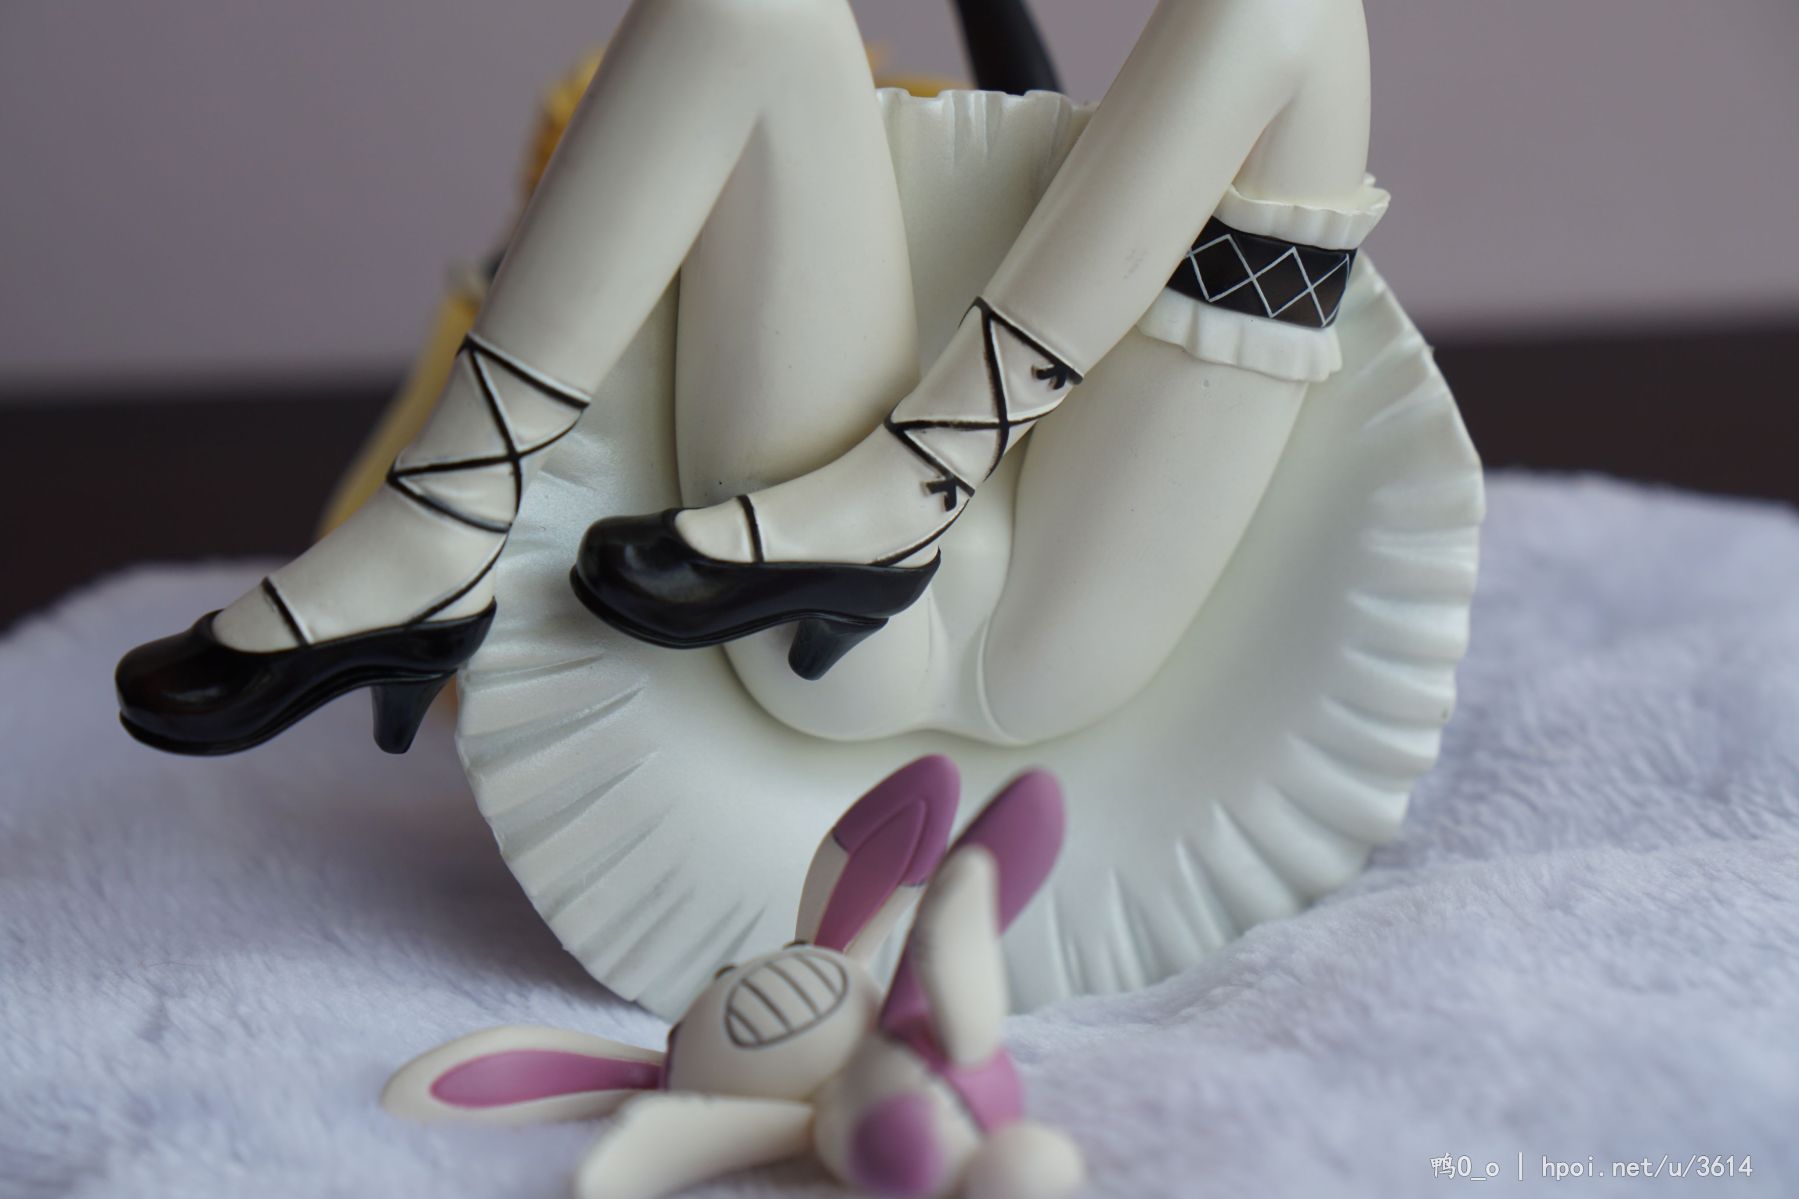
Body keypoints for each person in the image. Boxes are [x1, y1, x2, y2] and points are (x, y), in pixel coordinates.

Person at [117, 0, 1391, 754]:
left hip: (1044, 649)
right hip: (803, 603)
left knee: (1284, 7)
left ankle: (909, 485)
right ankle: (440, 514)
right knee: (749, 4)